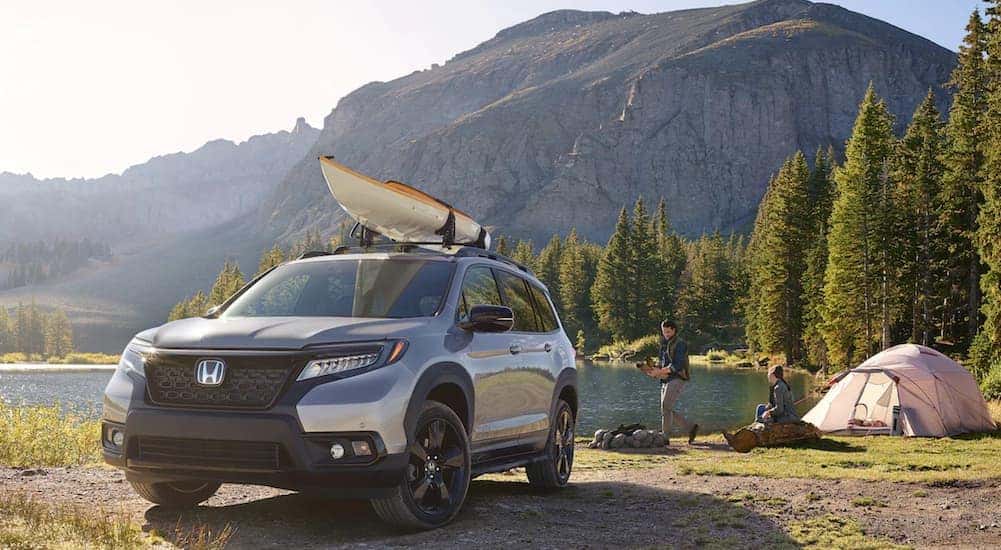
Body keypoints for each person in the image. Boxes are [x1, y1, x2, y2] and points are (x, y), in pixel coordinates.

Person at [642, 320, 698, 445]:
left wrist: (660, 371)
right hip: (665, 378)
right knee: (665, 408)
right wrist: (654, 370)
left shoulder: (680, 344)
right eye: (664, 331)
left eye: (668, 331)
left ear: (674, 330)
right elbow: (663, 363)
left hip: (677, 378)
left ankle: (665, 437)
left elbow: (677, 365)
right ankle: (690, 427)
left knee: (666, 407)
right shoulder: (664, 344)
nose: (666, 334)